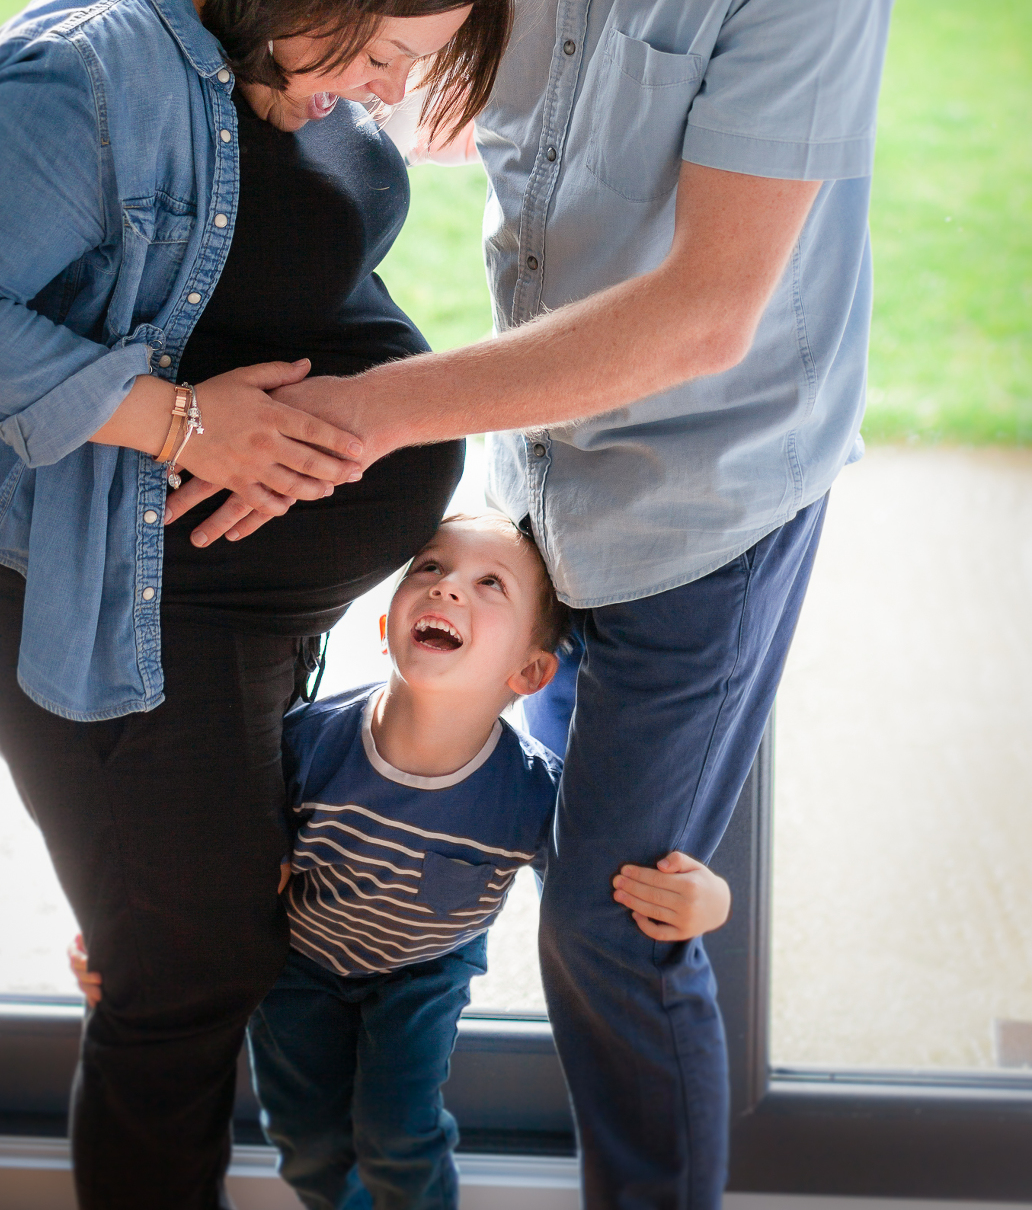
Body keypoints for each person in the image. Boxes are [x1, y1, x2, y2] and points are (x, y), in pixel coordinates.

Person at [169, 0, 897, 1207]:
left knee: (611, 921)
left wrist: (372, 411)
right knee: (594, 868)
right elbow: (436, 96)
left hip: (711, 497)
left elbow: (709, 311)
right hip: (552, 488)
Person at [0, 0, 515, 1210]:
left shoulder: (258, 41)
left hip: (226, 613)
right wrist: (185, 417)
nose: (377, 89)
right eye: (377, 53)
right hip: (105, 606)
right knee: (188, 977)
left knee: (207, 949)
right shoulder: (90, 69)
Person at [69, 512, 731, 1210]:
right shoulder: (308, 746)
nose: (447, 589)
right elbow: (199, 851)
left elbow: (603, 885)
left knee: (397, 1135)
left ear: (531, 672)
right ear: (386, 626)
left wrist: (709, 900)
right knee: (309, 1139)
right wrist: (128, 938)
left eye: (488, 584)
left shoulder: (533, 792)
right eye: (430, 567)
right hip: (298, 968)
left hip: (422, 975)